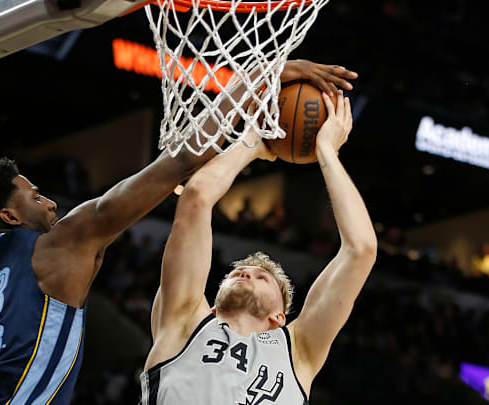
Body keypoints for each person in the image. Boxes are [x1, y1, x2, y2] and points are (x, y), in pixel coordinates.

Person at [0, 61, 358, 405]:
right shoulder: (61, 243)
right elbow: (183, 164)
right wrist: (263, 81)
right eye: (33, 194)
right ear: (9, 217)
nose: (49, 200)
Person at [140, 90, 376, 404]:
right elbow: (196, 198)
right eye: (239, 273)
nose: (247, 274)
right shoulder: (184, 320)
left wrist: (327, 152)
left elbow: (361, 249)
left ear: (280, 316)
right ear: (213, 305)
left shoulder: (299, 350)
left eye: (261, 278)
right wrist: (254, 140)